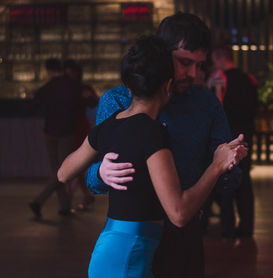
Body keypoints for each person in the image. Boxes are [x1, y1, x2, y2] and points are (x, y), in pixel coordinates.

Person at [58, 35, 246, 278]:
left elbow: (63, 173)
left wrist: (100, 168)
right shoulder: (153, 132)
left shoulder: (109, 126)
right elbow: (178, 214)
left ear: (128, 85)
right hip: (128, 259)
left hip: (110, 252)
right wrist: (217, 166)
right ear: (167, 85)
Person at [210, 45, 259, 238]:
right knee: (245, 182)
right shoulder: (250, 79)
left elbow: (218, 109)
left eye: (214, 61)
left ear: (220, 58)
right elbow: (255, 108)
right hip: (246, 136)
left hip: (229, 137)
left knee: (227, 182)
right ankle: (247, 227)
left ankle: (228, 228)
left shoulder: (221, 79)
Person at [29, 58, 81, 218]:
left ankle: (62, 206)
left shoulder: (48, 87)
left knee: (56, 172)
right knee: (61, 173)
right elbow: (80, 106)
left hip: (49, 132)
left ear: (49, 70)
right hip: (66, 132)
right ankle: (41, 202)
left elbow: (33, 104)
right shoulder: (71, 85)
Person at [63, 59, 98, 210]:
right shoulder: (77, 88)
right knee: (78, 164)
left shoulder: (77, 88)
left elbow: (94, 101)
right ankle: (85, 195)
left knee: (78, 164)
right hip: (73, 128)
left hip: (77, 128)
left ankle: (77, 197)